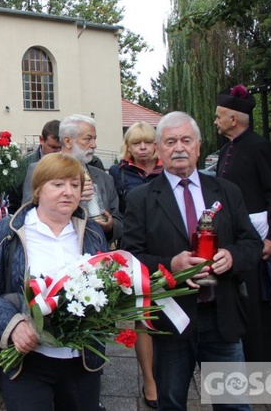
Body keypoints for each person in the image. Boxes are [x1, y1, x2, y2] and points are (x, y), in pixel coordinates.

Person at [121, 111, 262, 411]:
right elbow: (130, 259)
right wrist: (171, 264)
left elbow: (252, 243)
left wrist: (233, 256)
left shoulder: (226, 191)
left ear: (199, 145)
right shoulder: (141, 199)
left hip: (221, 315)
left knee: (233, 405)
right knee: (171, 403)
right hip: (172, 319)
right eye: (170, 141)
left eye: (186, 140)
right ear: (159, 150)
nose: (179, 148)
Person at [0, 153, 108, 411]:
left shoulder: (92, 232)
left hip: (81, 361)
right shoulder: (7, 232)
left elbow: (105, 286)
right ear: (38, 189)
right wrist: (13, 324)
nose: (68, 192)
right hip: (27, 362)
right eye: (58, 184)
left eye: (74, 185)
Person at [214, 85, 271, 362]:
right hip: (239, 240)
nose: (215, 121)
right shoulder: (228, 148)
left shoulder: (259, 145)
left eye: (219, 116)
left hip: (263, 243)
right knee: (245, 305)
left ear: (234, 119)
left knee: (266, 308)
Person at [107, 121, 163, 408]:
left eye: (147, 142)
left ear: (156, 144)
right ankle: (150, 379)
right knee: (144, 316)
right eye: (135, 143)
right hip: (137, 248)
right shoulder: (118, 172)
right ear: (127, 147)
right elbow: (116, 211)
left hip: (168, 246)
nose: (142, 148)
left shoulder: (168, 170)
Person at [23, 115, 123, 244]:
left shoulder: (105, 178)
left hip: (94, 254)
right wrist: (73, 198)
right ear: (68, 141)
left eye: (94, 139)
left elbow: (119, 221)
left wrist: (110, 226)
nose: (94, 145)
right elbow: (27, 211)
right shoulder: (39, 170)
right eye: (88, 139)